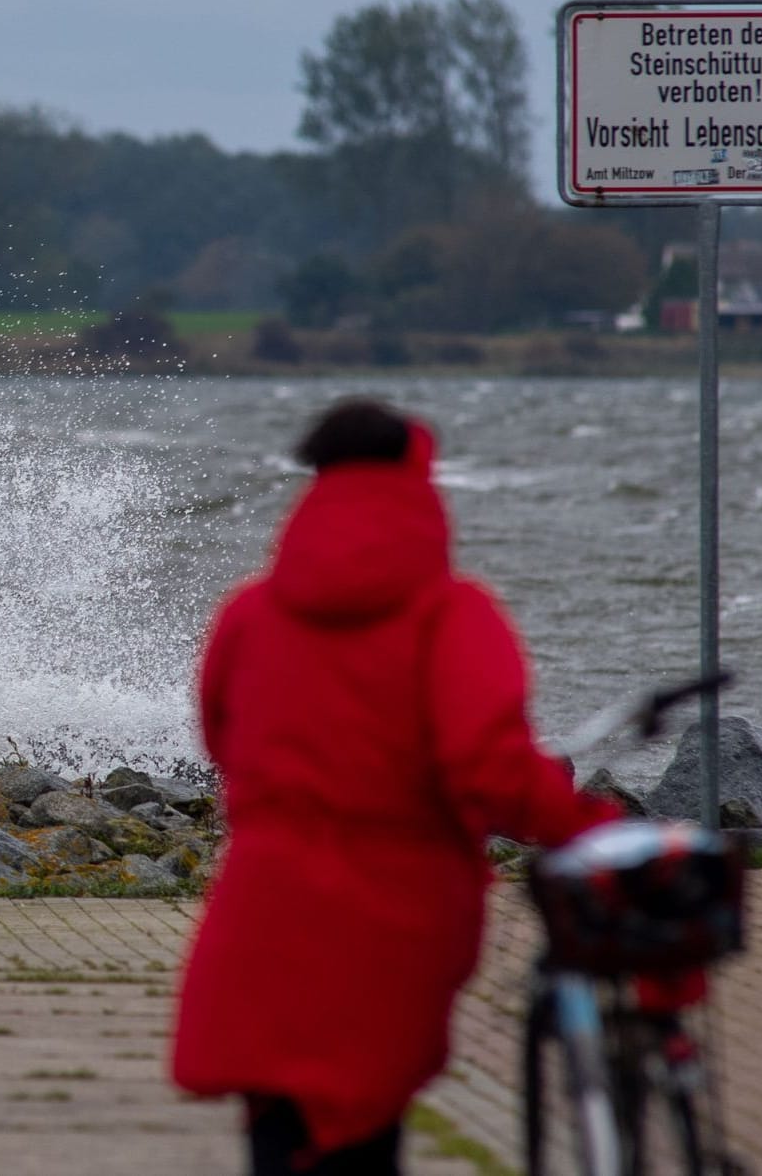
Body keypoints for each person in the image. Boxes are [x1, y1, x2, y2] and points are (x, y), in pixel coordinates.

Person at [172, 397, 619, 1175]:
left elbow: (222, 740)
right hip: (397, 910)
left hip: (265, 900)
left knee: (281, 1127)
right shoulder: (451, 615)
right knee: (364, 1128)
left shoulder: (247, 613)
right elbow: (491, 769)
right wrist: (589, 827)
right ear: (420, 481)